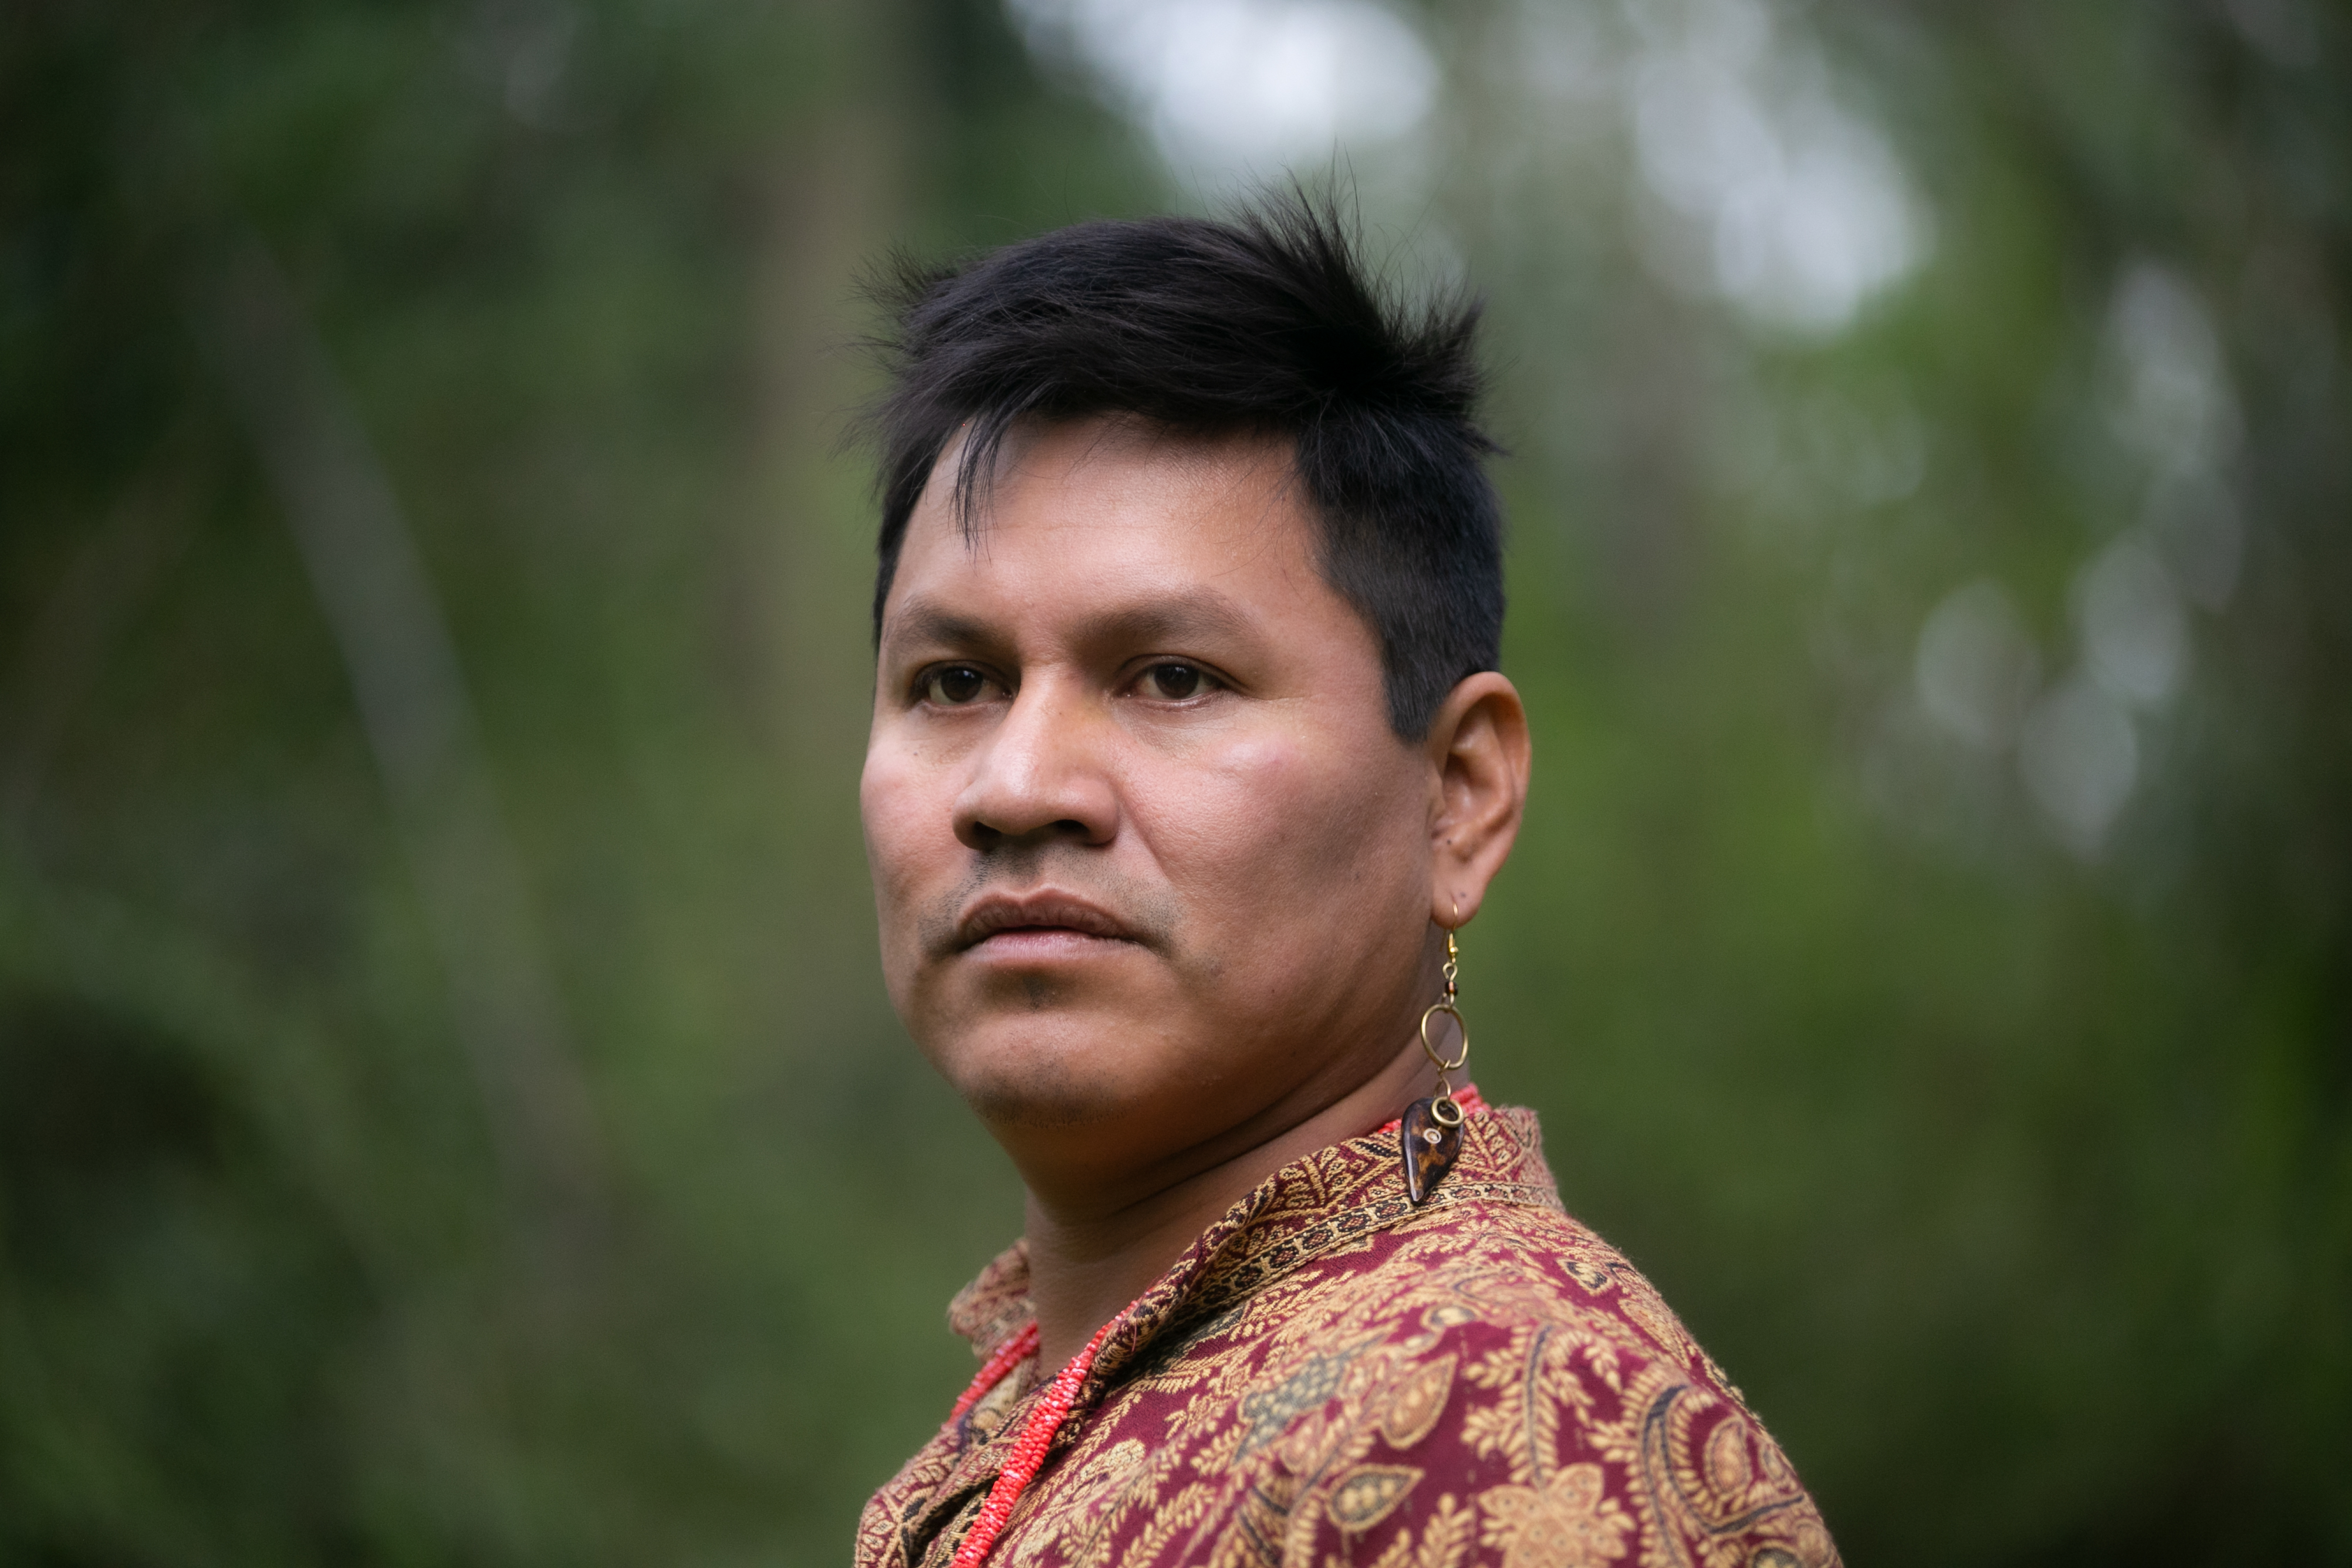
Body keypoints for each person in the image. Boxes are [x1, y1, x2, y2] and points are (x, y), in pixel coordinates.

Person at [852, 195, 1839, 1568]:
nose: (1017, 787)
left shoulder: (1493, 1426)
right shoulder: (1059, 1404)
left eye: (1173, 678)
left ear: (1459, 796)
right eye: (955, 681)